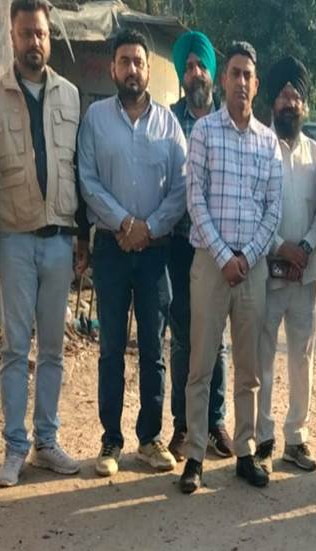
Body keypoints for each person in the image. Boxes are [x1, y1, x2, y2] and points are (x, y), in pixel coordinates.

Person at [0, 0, 89, 487]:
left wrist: (83, 235)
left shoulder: (71, 96)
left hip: (60, 239)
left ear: (49, 38)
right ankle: (14, 447)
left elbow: (78, 169)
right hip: (16, 239)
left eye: (41, 33)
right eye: (26, 33)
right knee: (15, 348)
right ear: (12, 37)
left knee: (54, 350)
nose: (34, 42)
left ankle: (46, 441)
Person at [78, 28, 185, 477]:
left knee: (153, 351)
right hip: (111, 249)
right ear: (113, 68)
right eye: (124, 61)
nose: (132, 69)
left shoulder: (169, 124)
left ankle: (149, 438)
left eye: (139, 61)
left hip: (155, 252)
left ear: (148, 69)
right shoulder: (96, 119)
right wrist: (125, 224)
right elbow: (87, 180)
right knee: (111, 349)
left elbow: (181, 187)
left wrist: (149, 228)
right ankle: (111, 440)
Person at [179, 41, 283, 494]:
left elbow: (273, 209)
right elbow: (195, 199)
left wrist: (248, 255)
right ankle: (194, 456)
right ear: (223, 80)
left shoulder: (268, 141)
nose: (241, 81)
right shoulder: (204, 133)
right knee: (201, 364)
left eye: (248, 75)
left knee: (248, 368)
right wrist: (224, 256)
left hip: (252, 266)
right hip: (210, 262)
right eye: (235, 73)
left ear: (256, 86)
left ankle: (244, 451)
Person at [256, 56, 316, 473]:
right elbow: (252, 209)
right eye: (283, 95)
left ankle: (296, 438)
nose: (289, 103)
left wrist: (307, 244)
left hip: (305, 275)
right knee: (262, 358)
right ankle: (263, 440)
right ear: (272, 102)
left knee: (302, 357)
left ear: (305, 106)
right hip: (267, 273)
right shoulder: (259, 146)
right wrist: (281, 246)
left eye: (296, 96)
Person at [166, 30, 232, 461]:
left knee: (216, 335)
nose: (195, 73)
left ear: (212, 72)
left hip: (216, 246)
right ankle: (182, 425)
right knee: (183, 336)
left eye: (201, 65)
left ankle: (215, 421)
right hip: (178, 242)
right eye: (188, 67)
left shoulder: (229, 122)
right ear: (181, 74)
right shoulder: (168, 121)